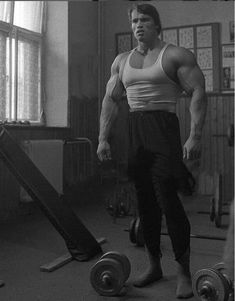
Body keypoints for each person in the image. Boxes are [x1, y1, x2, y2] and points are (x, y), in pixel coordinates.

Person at [97, 3, 207, 299]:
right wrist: (102, 138)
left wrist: (195, 136)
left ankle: (183, 271)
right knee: (144, 203)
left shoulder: (174, 55)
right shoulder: (121, 61)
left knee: (168, 201)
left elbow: (198, 90)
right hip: (135, 133)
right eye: (134, 21)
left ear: (157, 25)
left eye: (144, 20)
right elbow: (111, 100)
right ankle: (154, 265)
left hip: (163, 129)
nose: (138, 25)